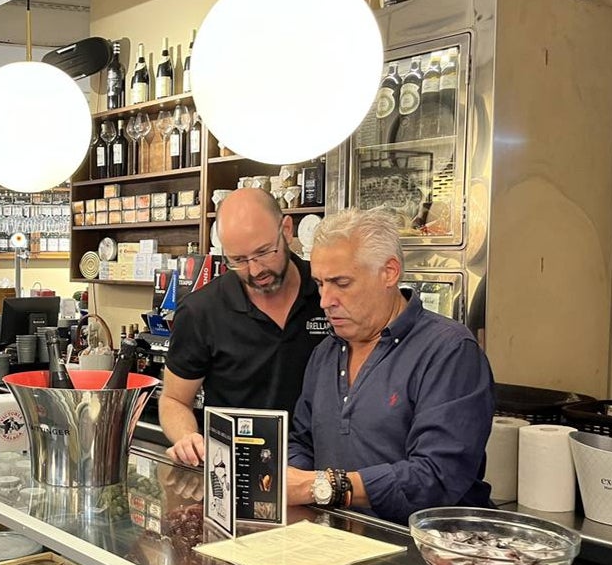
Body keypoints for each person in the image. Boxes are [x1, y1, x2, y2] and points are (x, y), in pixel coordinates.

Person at [286, 210, 494, 524]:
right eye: (320, 284)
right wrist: (298, 481)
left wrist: (321, 487)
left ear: (389, 273)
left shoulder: (448, 351)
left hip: (425, 554)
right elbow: (301, 440)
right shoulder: (326, 352)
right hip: (337, 543)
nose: (325, 300)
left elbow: (436, 476)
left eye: (341, 283)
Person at [161, 189, 329, 466]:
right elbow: (174, 400)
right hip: (234, 470)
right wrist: (187, 437)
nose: (254, 271)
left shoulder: (327, 291)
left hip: (321, 473)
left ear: (287, 230)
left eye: (264, 252)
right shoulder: (201, 311)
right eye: (237, 260)